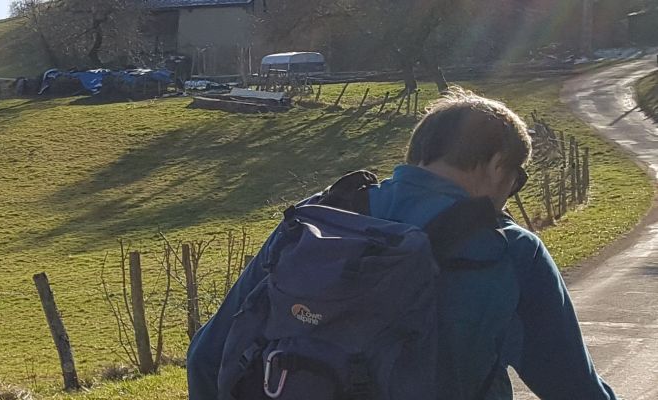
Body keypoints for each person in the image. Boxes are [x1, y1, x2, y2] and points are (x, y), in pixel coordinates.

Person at [186, 88, 615, 399]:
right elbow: (571, 385)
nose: (510, 192)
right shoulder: (510, 250)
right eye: (515, 180)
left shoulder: (320, 217)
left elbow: (209, 355)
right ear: (498, 164)